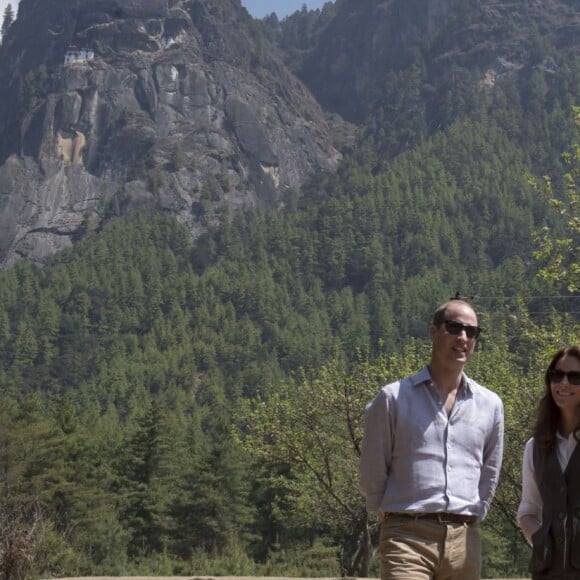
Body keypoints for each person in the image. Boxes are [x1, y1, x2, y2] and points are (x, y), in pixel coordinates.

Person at [359, 299, 504, 580]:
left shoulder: (490, 405)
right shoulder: (393, 398)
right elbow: (372, 467)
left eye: (471, 332)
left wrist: (476, 512)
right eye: (454, 327)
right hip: (407, 536)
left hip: (464, 540)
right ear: (433, 332)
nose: (463, 337)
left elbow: (490, 469)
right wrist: (385, 512)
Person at [517, 345, 580, 579]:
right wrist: (540, 539)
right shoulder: (535, 448)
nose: (563, 383)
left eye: (574, 377)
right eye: (556, 375)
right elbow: (528, 510)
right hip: (548, 572)